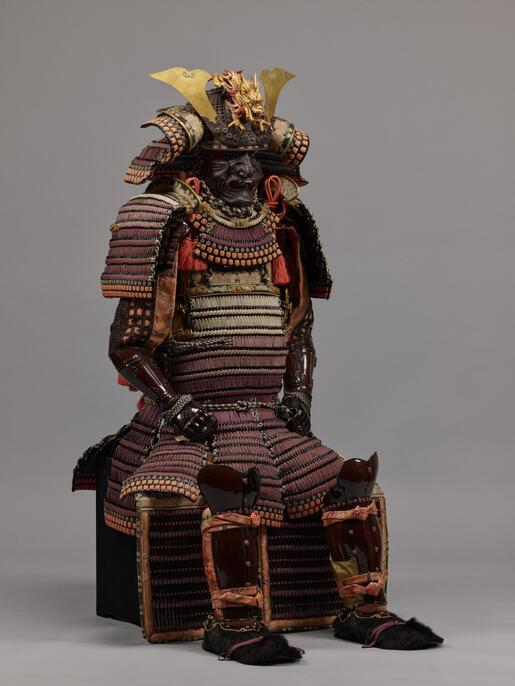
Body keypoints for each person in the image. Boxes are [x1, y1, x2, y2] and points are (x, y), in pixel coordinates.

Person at [73, 67, 443, 663]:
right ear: (198, 167)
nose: (243, 171)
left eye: (251, 157)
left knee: (347, 481)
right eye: (227, 159)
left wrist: (298, 393)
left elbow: (300, 330)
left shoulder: (285, 226)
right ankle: (234, 620)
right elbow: (128, 346)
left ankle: (363, 609)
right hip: (187, 424)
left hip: (269, 419)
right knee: (226, 487)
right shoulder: (163, 224)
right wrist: (176, 406)